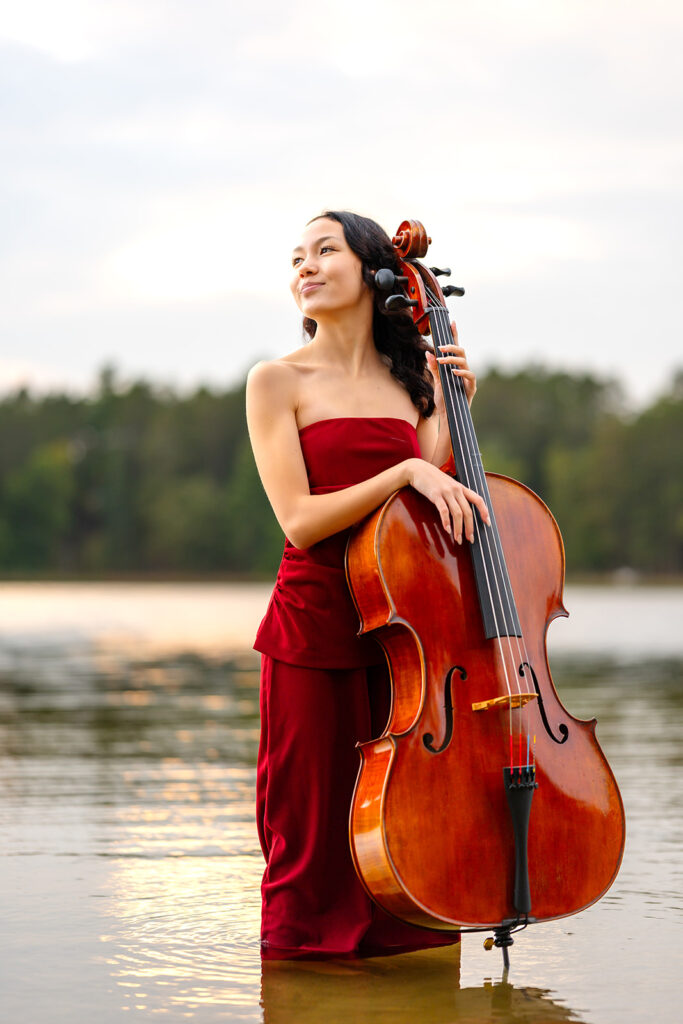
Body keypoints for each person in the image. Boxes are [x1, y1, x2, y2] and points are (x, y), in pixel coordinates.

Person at [246, 210, 489, 960]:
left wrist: (452, 414)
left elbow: (431, 501)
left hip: (408, 631)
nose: (305, 266)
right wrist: (407, 466)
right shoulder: (276, 380)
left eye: (325, 250)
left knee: (405, 819)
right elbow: (300, 520)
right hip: (314, 622)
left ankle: (408, 957)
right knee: (311, 829)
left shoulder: (407, 383)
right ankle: (295, 987)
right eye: (297, 257)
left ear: (375, 272)